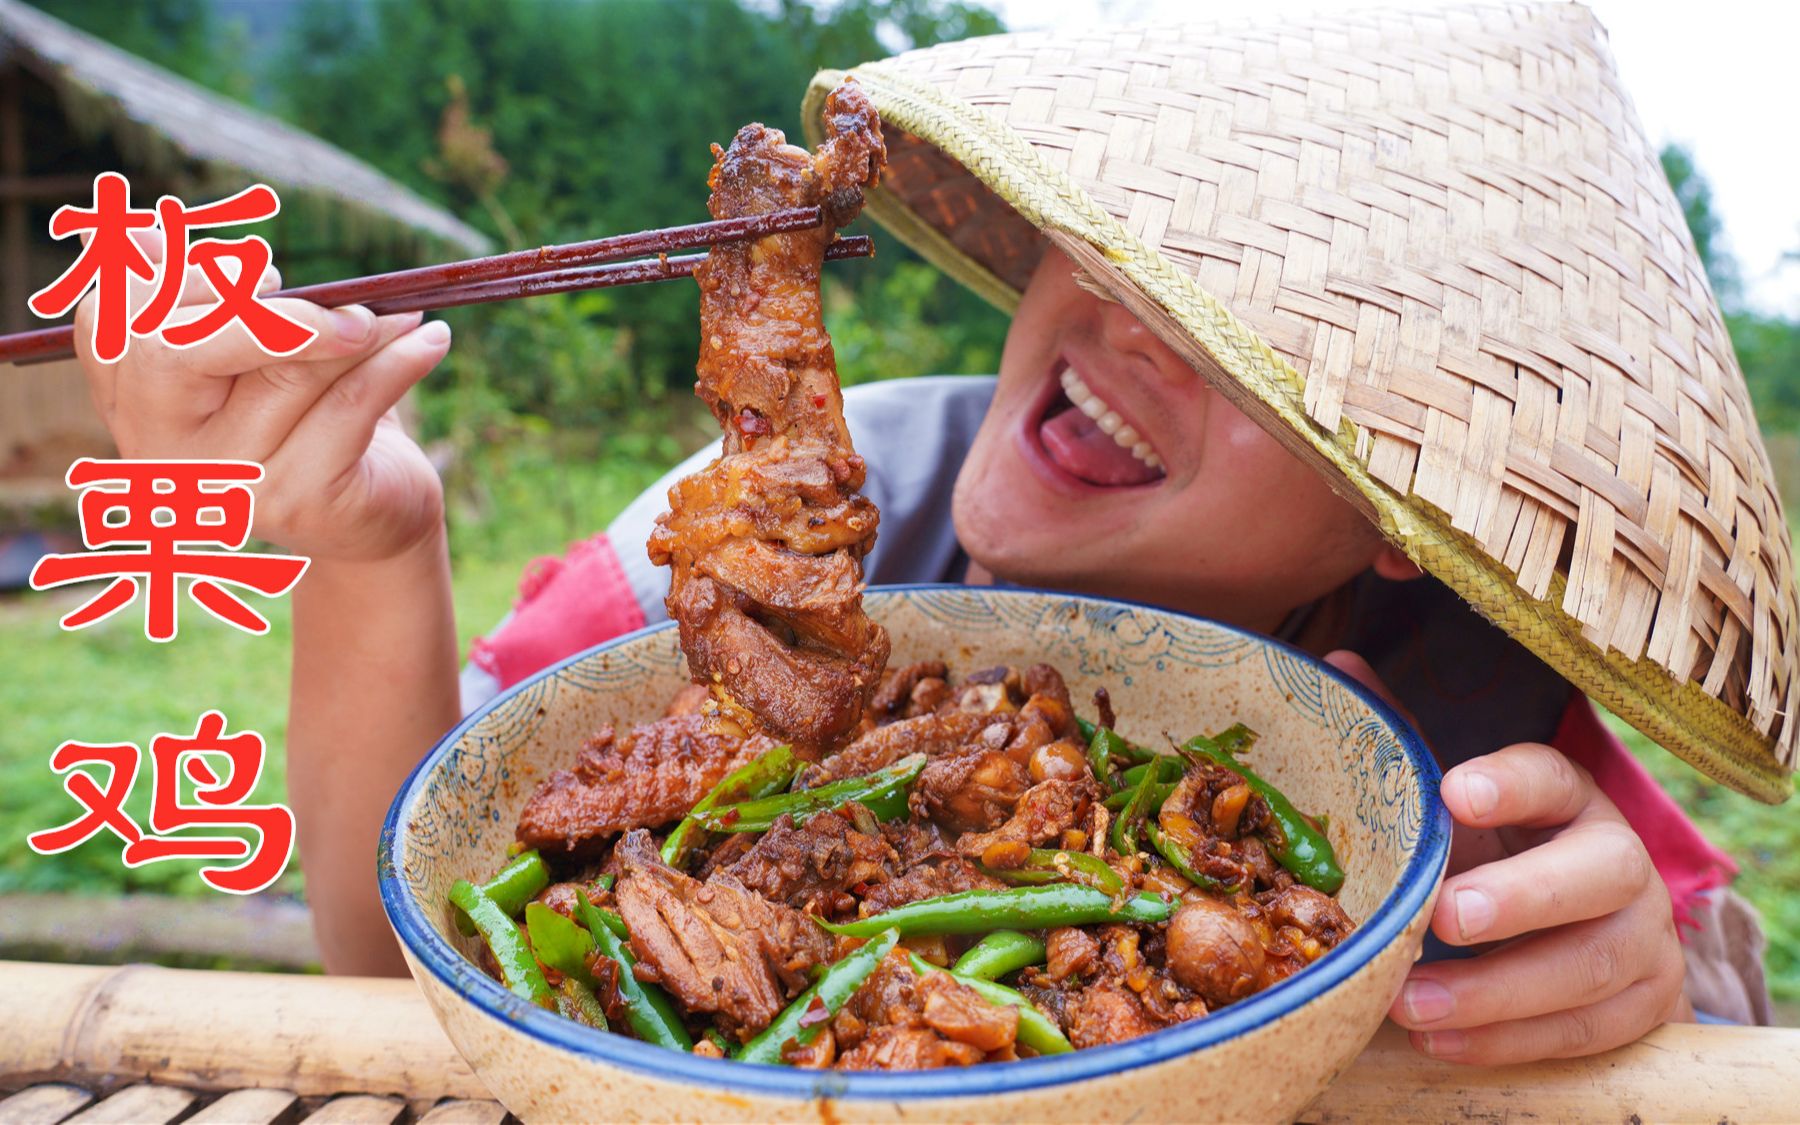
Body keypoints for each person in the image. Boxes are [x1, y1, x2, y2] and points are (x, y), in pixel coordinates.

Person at [76, 217, 1769, 1067]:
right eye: (1119, 242)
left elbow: (1684, 1009)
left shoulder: (1477, 747)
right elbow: (410, 954)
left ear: (1411, 512)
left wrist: (1617, 989)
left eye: (1268, 340)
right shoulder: (771, 525)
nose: (1130, 322)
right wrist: (381, 549)